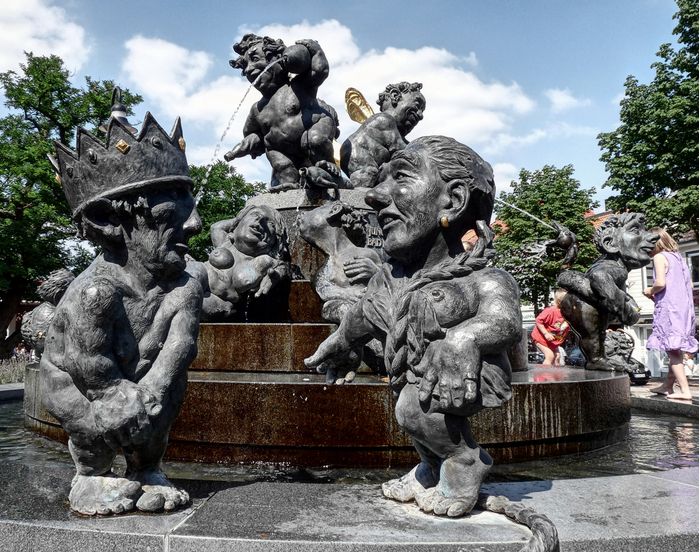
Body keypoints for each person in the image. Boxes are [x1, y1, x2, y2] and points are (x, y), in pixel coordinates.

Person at [306, 136, 521, 517]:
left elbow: (504, 322)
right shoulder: (389, 277)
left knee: (413, 409)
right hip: (409, 373)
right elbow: (363, 315)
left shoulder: (481, 277)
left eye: (400, 176)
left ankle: (464, 462)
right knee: (410, 410)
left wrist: (466, 338)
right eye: (380, 179)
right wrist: (342, 341)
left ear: (452, 201)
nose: (373, 196)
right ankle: (429, 467)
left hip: (463, 375)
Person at [43, 111, 204, 515]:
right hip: (81, 383)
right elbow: (90, 365)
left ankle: (147, 468)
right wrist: (118, 396)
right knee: (93, 415)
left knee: (170, 393)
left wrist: (152, 392)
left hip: (144, 379)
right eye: (170, 215)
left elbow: (181, 347)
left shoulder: (184, 285)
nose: (196, 224)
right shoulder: (95, 292)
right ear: (111, 221)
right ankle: (90, 474)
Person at [223, 34, 343, 191]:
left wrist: (316, 51)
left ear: (279, 60)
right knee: (280, 164)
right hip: (283, 150)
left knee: (315, 140)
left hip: (313, 129)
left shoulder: (298, 86)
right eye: (245, 65)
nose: (249, 69)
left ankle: (327, 167)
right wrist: (240, 149)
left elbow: (319, 71)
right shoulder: (257, 109)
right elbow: (255, 135)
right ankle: (289, 185)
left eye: (255, 59)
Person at [192, 204, 291, 322]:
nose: (260, 220)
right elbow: (216, 227)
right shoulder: (225, 243)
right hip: (195, 278)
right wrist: (240, 219)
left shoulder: (265, 261)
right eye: (255, 215)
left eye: (271, 224)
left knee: (190, 302)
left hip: (219, 303)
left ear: (276, 242)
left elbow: (283, 268)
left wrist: (279, 271)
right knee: (190, 275)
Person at [643, 228, 699, 399]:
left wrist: (649, 290)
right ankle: (667, 386)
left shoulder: (660, 257)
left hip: (670, 310)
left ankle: (684, 391)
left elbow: (660, 283)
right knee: (676, 349)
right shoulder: (679, 259)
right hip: (684, 309)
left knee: (672, 349)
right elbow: (689, 286)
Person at [340, 82, 426, 188]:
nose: (420, 115)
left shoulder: (390, 128)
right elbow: (402, 150)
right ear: (395, 96)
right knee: (369, 175)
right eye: (417, 106)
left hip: (366, 167)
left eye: (422, 110)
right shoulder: (384, 120)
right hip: (363, 165)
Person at [530, 290, 570, 366]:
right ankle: (546, 375)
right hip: (541, 339)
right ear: (560, 300)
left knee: (557, 357)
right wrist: (546, 333)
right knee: (550, 356)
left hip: (553, 341)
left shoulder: (567, 313)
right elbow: (538, 320)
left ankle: (556, 376)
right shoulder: (551, 310)